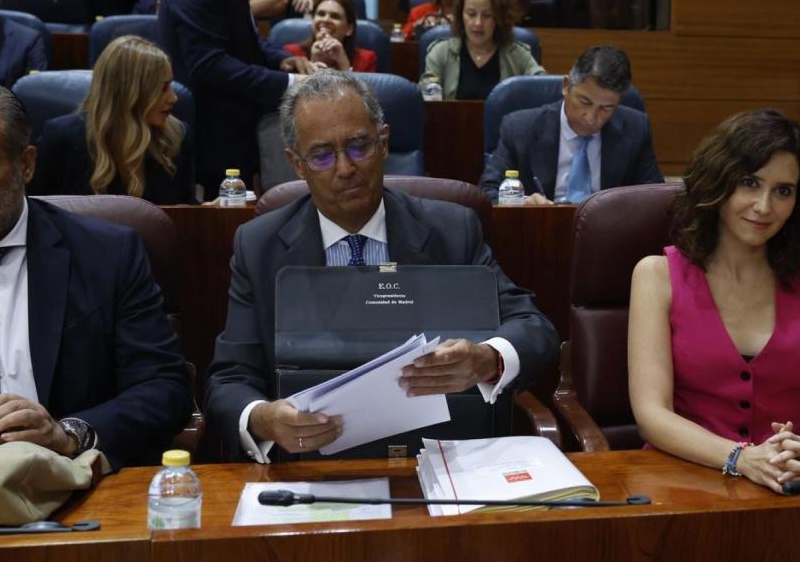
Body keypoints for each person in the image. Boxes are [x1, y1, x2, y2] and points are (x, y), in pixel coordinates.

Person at [206, 70, 558, 462]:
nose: (344, 168)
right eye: (322, 155)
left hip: (440, 457)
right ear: (297, 164)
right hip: (313, 468)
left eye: (359, 146)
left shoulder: (450, 230)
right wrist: (264, 419)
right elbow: (229, 380)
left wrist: (487, 359)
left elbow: (534, 328)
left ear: (384, 143)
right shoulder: (259, 246)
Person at [0, 78, 193, 471]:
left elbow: (165, 389)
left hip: (62, 490)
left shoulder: (106, 255)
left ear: (26, 164)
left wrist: (70, 434)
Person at [627, 109, 800, 494]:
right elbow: (652, 415)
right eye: (749, 183)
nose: (764, 206)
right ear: (717, 184)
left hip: (792, 483)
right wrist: (739, 458)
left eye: (783, 191)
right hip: (683, 480)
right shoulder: (655, 276)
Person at [157, 0, 313, 198]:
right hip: (211, 132)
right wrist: (291, 82)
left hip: (237, 125)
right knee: (221, 222)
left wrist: (279, 58)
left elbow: (247, 39)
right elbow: (210, 65)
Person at [480, 45, 662, 205]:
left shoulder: (636, 128)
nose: (591, 118)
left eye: (606, 109)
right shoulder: (519, 128)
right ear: (566, 86)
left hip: (608, 235)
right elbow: (487, 193)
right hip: (541, 232)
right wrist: (522, 203)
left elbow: (655, 198)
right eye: (585, 102)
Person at [30, 36, 196, 205]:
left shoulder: (177, 137)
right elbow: (35, 211)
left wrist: (209, 212)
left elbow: (186, 211)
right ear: (129, 93)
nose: (173, 98)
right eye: (162, 88)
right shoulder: (63, 137)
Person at [420, 0, 544, 100]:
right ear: (460, 15)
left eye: (487, 15)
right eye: (471, 14)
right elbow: (426, 97)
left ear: (499, 19)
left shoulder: (518, 55)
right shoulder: (441, 52)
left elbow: (542, 86)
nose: (478, 23)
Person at [282, 0, 377, 73]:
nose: (326, 19)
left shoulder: (365, 59)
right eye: (321, 14)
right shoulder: (292, 53)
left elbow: (363, 95)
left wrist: (344, 66)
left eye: (335, 16)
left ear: (349, 29)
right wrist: (313, 64)